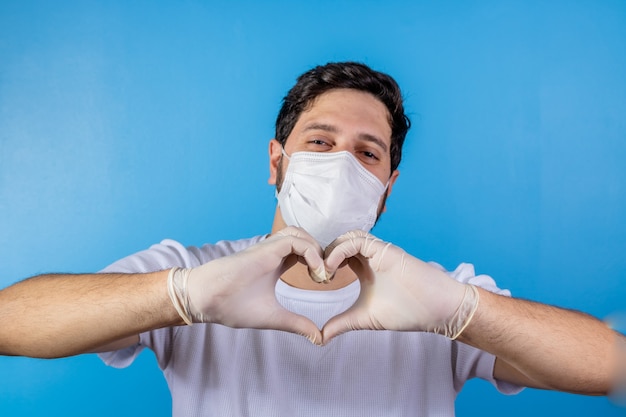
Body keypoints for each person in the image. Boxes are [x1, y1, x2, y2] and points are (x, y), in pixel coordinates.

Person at [0, 62, 620, 416]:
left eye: (367, 153)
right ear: (277, 164)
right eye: (319, 143)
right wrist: (181, 297)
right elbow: (11, 324)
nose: (342, 162)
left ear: (386, 188)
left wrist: (462, 312)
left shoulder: (434, 294)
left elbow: (609, 366)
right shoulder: (192, 269)